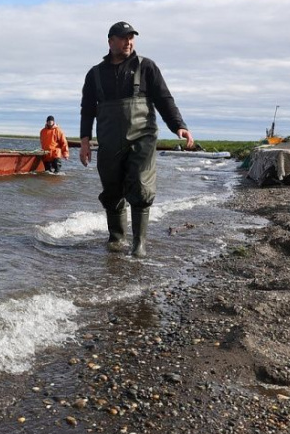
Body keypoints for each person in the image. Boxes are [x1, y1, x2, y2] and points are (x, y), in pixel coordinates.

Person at [78, 21, 194, 257]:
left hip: (143, 137)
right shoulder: (95, 74)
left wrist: (178, 126)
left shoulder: (147, 67)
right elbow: (87, 109)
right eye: (123, 37)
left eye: (131, 37)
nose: (128, 42)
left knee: (141, 187)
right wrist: (84, 142)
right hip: (109, 140)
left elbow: (164, 99)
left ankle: (139, 243)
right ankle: (116, 238)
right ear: (110, 41)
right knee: (112, 189)